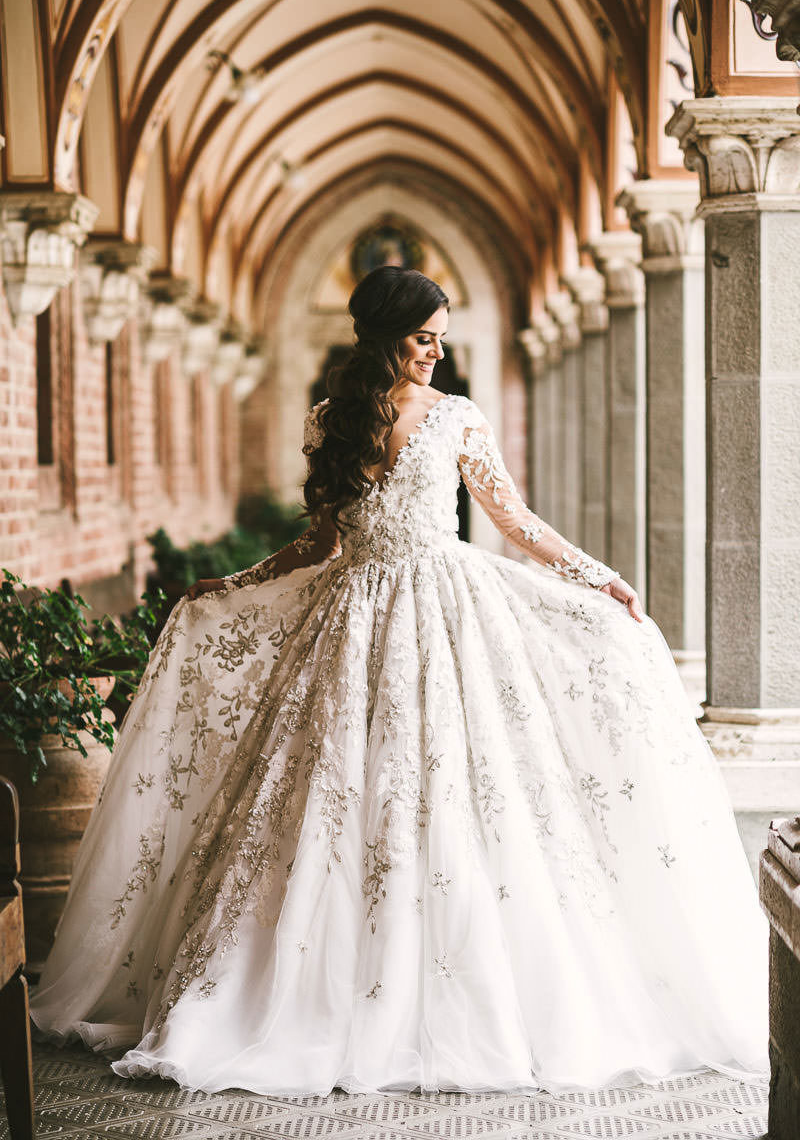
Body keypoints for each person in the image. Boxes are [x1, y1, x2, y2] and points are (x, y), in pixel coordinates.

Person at [29, 266, 768, 1098]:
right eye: (424, 339)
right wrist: (230, 588)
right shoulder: (329, 422)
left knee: (455, 789)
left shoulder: (457, 417)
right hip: (348, 626)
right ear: (386, 338)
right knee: (330, 797)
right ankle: (297, 990)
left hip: (446, 617)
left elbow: (513, 523)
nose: (436, 354)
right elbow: (317, 547)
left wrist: (597, 577)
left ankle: (446, 983)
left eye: (443, 339)